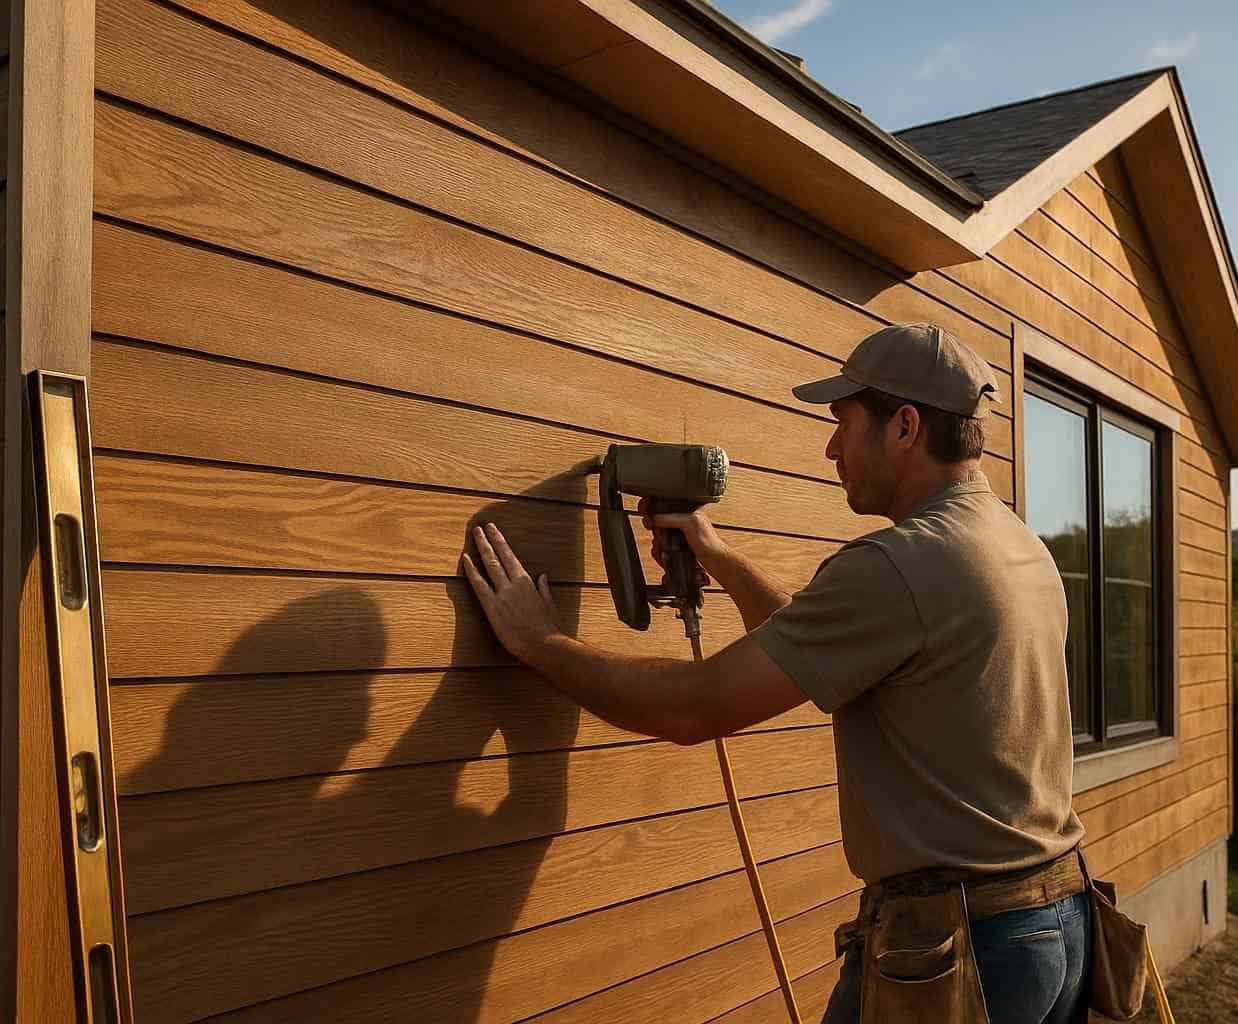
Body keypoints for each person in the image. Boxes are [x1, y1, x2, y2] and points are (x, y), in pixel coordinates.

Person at [461, 322, 1089, 1024]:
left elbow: (693, 710)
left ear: (905, 427)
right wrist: (720, 558)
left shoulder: (901, 563)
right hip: (1051, 924)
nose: (830, 448)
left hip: (961, 952)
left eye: (843, 424)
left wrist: (541, 643)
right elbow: (838, 650)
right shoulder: (1014, 544)